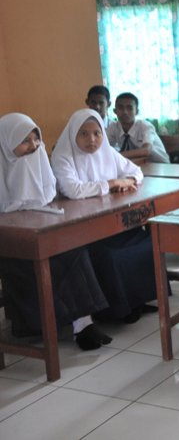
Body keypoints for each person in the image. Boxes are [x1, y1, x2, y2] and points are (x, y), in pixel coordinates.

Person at [0, 113, 112, 350]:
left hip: (37, 233)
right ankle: (80, 325)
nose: (33, 146)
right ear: (6, 142)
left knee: (73, 250)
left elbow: (47, 195)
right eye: (24, 141)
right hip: (10, 248)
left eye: (36, 139)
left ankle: (83, 324)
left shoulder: (36, 157)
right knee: (60, 258)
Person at [51, 109, 157, 324]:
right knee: (110, 252)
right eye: (84, 134)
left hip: (109, 220)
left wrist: (126, 180)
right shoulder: (63, 156)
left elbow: (137, 172)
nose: (92, 140)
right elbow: (73, 190)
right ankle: (116, 309)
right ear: (73, 134)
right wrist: (111, 184)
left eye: (97, 133)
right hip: (84, 229)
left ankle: (137, 301)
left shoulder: (107, 151)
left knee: (143, 240)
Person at [107, 92, 169, 163]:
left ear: (136, 111)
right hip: (135, 164)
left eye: (129, 108)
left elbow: (146, 150)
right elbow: (103, 148)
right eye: (120, 108)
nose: (125, 112)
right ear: (115, 111)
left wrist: (117, 156)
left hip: (159, 165)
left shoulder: (145, 126)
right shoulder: (113, 127)